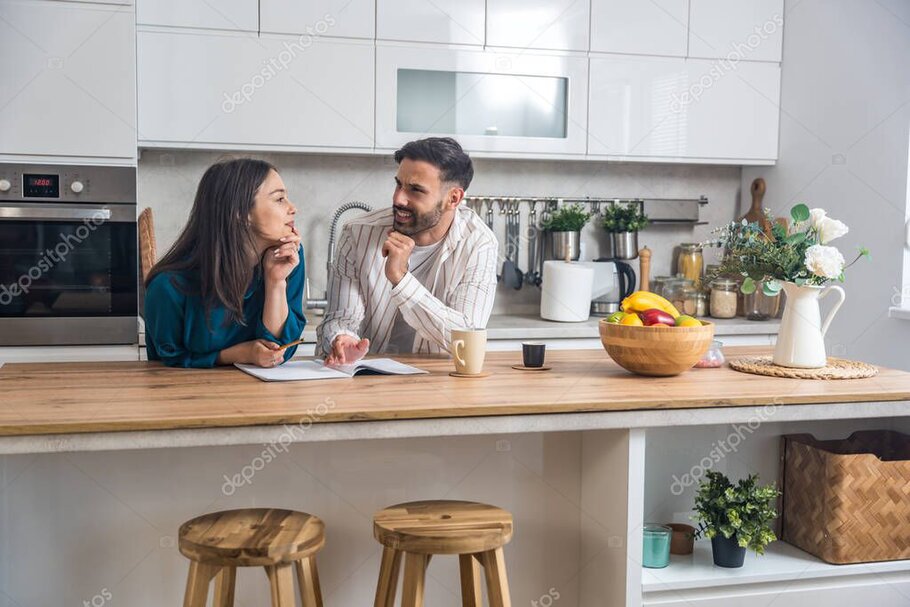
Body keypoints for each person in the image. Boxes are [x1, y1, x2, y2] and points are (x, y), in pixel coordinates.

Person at [317, 137, 497, 364]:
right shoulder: (357, 233)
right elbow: (339, 319)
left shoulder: (478, 244)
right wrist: (342, 339)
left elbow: (466, 338)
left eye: (415, 190)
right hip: (362, 380)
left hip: (435, 385)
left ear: (453, 198)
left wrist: (401, 280)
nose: (399, 198)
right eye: (398, 184)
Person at [144, 158, 305, 368]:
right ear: (241, 212)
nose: (293, 208)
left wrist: (275, 282)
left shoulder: (287, 260)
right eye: (279, 199)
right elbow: (168, 361)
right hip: (188, 396)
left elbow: (277, 352)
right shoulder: (168, 287)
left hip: (263, 397)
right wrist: (237, 354)